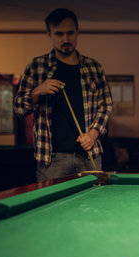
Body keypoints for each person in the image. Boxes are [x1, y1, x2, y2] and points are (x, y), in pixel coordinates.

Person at [14, 8, 113, 182]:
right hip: (51, 159)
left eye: (70, 33)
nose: (65, 39)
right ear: (49, 33)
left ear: (77, 32)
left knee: (94, 207)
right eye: (59, 34)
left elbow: (106, 105)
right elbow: (19, 108)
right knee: (51, 206)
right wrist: (38, 91)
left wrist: (93, 134)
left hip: (88, 155)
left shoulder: (94, 67)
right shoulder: (37, 67)